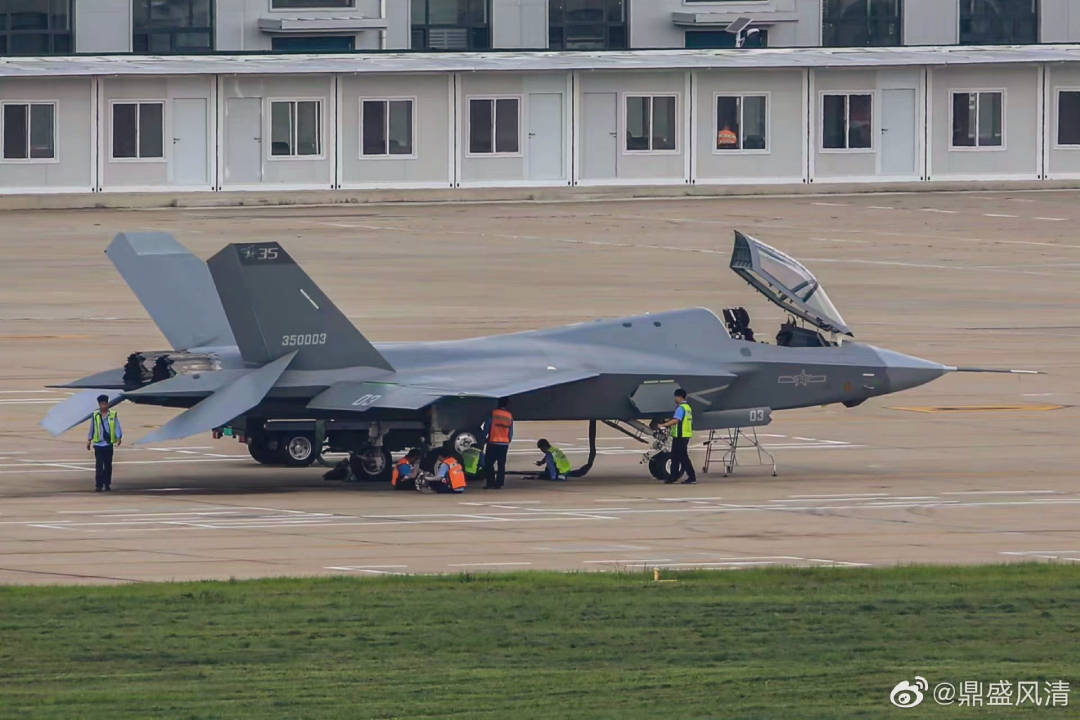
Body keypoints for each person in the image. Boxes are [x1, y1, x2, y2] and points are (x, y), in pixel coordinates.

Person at [658, 389, 697, 485]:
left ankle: (691, 477)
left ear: (679, 397)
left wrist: (664, 425)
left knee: (683, 457)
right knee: (675, 457)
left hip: (681, 436)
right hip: (683, 435)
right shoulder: (687, 407)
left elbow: (676, 420)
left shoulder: (681, 408)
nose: (675, 399)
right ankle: (673, 477)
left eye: (676, 397)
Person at [86, 395, 121, 492]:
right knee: (99, 465)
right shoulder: (95, 415)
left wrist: (118, 437)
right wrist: (89, 439)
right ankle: (99, 485)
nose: (104, 406)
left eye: (105, 404)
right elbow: (92, 427)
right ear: (99, 404)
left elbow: (117, 426)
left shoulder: (113, 415)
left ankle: (107, 483)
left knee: (108, 465)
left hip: (108, 444)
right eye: (102, 404)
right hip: (98, 444)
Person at [482, 397, 513, 489]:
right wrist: (508, 440)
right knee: (501, 464)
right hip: (504, 443)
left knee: (489, 463)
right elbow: (510, 432)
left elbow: (487, 427)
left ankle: (490, 482)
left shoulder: (493, 413)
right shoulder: (509, 415)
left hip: (493, 442)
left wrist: (483, 438)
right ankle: (499, 483)